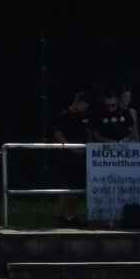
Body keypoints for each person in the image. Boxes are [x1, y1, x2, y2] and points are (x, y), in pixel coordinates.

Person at [51, 91, 91, 225]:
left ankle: (72, 215)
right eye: (84, 105)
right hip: (66, 157)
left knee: (77, 188)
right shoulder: (64, 115)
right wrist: (71, 148)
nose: (84, 108)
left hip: (81, 157)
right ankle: (63, 215)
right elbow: (58, 133)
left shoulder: (84, 116)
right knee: (64, 187)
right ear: (78, 101)